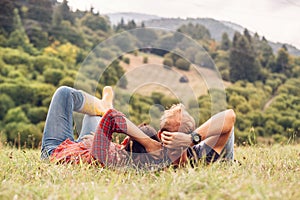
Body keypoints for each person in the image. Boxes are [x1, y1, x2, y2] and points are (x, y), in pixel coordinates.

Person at [41, 86, 162, 166]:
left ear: (126, 141)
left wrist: (149, 143)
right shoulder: (126, 159)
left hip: (55, 152)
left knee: (64, 93)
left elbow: (111, 116)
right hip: (82, 149)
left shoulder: (105, 156)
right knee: (93, 116)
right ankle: (102, 107)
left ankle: (103, 106)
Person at [159, 103, 235, 166]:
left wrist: (192, 138)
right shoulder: (154, 159)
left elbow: (229, 115)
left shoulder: (200, 156)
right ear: (161, 135)